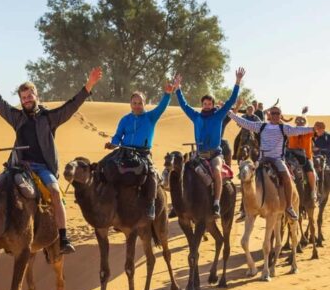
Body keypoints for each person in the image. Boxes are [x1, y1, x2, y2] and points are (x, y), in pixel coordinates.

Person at [0, 57, 102, 255]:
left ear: (36, 96)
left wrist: (89, 85)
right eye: (23, 98)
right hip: (17, 167)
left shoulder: (49, 118)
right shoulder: (17, 117)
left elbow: (71, 106)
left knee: (56, 193)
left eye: (29, 96)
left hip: (42, 168)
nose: (26, 100)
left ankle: (63, 237)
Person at [104, 75, 181, 219]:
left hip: (142, 153)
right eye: (134, 103)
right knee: (104, 166)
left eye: (140, 103)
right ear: (130, 104)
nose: (137, 105)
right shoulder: (125, 119)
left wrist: (167, 93)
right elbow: (118, 135)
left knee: (151, 173)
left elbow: (162, 106)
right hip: (124, 151)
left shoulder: (150, 117)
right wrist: (112, 144)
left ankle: (151, 204)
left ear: (144, 104)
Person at [176, 67, 245, 217]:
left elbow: (231, 101)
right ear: (202, 105)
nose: (207, 106)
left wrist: (237, 82)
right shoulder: (196, 116)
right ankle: (179, 205)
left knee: (217, 172)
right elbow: (184, 105)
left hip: (215, 155)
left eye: (209, 104)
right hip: (199, 154)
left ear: (213, 105)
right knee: (182, 172)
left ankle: (216, 204)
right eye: (204, 104)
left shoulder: (219, 115)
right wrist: (178, 89)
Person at [228, 102, 315, 220]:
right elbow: (244, 123)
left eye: (277, 113)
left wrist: (314, 129)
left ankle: (289, 207)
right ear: (269, 114)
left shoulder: (284, 128)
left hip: (277, 159)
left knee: (287, 178)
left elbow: (298, 130)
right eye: (273, 113)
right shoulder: (261, 126)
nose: (275, 115)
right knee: (246, 176)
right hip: (262, 158)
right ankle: (245, 208)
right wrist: (229, 113)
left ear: (280, 115)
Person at [287, 115, 317, 202]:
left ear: (305, 123)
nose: (300, 123)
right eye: (298, 121)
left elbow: (315, 129)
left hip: (306, 157)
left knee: (311, 171)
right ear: (295, 122)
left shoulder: (308, 131)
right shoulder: (291, 131)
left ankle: (313, 190)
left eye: (302, 121)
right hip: (292, 157)